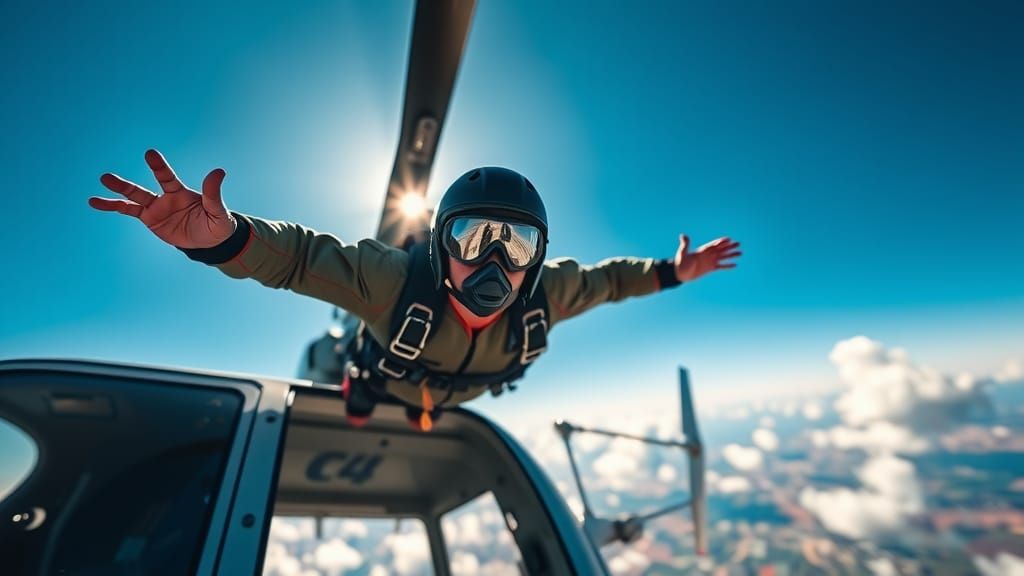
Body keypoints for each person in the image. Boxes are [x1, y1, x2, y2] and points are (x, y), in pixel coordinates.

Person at [89, 149, 742, 430]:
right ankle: (351, 395)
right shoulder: (396, 283)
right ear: (438, 245)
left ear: (537, 259)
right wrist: (226, 240)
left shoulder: (548, 295)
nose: (493, 265)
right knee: (354, 396)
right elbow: (303, 259)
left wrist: (670, 273)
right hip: (384, 385)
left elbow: (608, 283)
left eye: (514, 246)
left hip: (452, 401)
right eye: (473, 239)